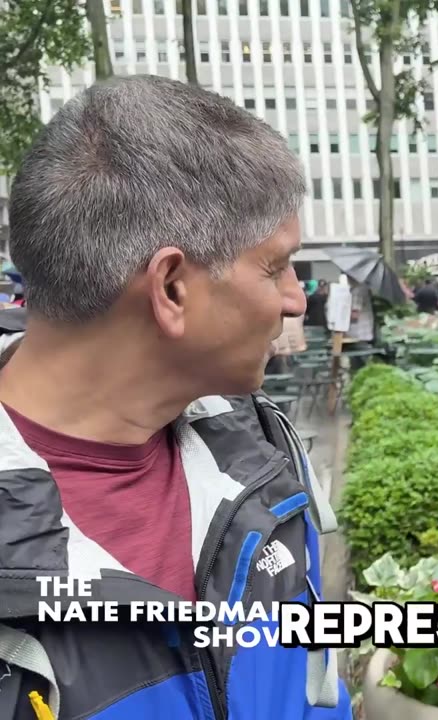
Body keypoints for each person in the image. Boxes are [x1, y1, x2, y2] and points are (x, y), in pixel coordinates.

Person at [0, 75, 349, 720]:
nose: (296, 300)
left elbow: (315, 684)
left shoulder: (263, 456)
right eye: (276, 266)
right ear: (172, 288)